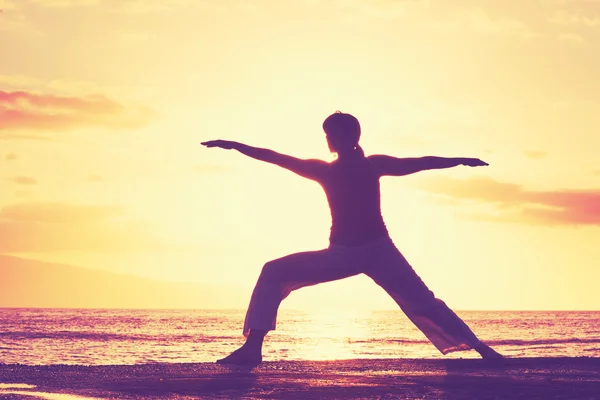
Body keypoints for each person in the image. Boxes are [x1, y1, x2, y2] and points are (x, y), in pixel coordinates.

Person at [201, 111, 503, 366]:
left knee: (424, 301)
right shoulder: (325, 169)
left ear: (349, 136)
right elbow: (275, 158)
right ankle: (253, 350)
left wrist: (459, 160)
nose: (329, 140)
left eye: (331, 134)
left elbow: (419, 161)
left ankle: (482, 349)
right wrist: (235, 145)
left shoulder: (373, 164)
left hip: (379, 250)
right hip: (341, 253)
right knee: (273, 270)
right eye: (327, 134)